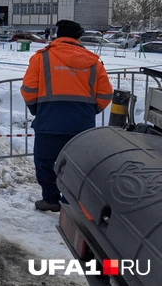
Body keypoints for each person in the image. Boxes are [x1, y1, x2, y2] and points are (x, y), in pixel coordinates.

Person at [20, 19, 113, 213]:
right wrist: (89, 111)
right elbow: (105, 94)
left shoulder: (41, 58)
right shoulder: (94, 62)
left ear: (58, 35)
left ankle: (51, 199)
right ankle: (71, 203)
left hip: (49, 120)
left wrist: (37, 109)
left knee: (45, 161)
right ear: (79, 37)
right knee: (77, 165)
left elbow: (28, 89)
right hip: (82, 124)